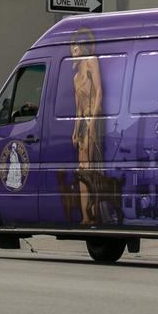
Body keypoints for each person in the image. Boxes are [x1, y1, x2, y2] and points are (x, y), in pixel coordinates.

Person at [70, 29, 103, 224]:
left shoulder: (92, 61)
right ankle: (85, 216)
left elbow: (99, 91)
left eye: (75, 47)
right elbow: (77, 109)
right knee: (82, 170)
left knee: (90, 168)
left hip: (93, 120)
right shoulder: (75, 78)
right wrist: (75, 132)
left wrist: (94, 120)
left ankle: (94, 213)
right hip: (82, 122)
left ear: (82, 47)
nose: (72, 50)